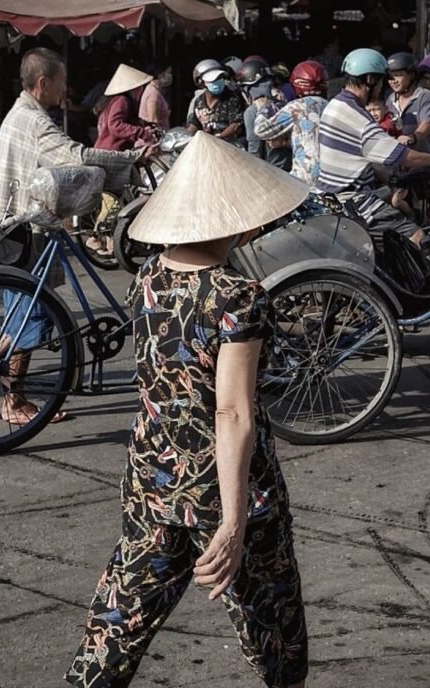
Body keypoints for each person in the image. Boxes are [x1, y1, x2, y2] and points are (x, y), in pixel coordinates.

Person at [66, 131, 309, 688]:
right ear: (241, 219)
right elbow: (233, 414)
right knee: (272, 626)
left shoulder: (148, 277)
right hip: (221, 487)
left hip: (152, 480)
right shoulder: (238, 296)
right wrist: (232, 520)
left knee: (119, 621)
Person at [0, 47, 155, 427]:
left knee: (19, 313)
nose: (64, 91)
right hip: (29, 229)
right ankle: (14, 401)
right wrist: (133, 161)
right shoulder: (36, 122)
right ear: (43, 83)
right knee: (31, 316)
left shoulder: (17, 115)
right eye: (61, 84)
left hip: (12, 227)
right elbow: (76, 156)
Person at [316, 49, 430, 246]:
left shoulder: (334, 105)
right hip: (354, 201)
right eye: (382, 81)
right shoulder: (359, 118)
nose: (384, 87)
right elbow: (401, 156)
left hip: (329, 196)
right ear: (370, 80)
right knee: (416, 237)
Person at [253, 60, 329, 184]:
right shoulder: (331, 105)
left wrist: (264, 107)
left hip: (305, 179)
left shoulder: (296, 107)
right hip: (332, 177)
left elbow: (261, 130)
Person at [237, 58, 291, 170]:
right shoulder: (284, 103)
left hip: (272, 171)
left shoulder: (252, 111)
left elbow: (255, 149)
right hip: (291, 166)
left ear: (247, 90)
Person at [385, 51, 430, 153]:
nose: (393, 81)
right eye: (390, 77)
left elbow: (427, 125)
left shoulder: (425, 96)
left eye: (398, 75)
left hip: (422, 165)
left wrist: (413, 137)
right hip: (398, 164)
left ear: (411, 75)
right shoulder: (390, 99)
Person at [95, 65, 157, 151]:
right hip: (112, 151)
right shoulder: (122, 100)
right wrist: (142, 133)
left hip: (109, 149)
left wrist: (143, 125)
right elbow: (115, 125)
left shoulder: (117, 100)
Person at [186, 59, 244, 141]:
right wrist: (186, 137)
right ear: (201, 82)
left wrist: (219, 137)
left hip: (228, 145)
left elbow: (236, 125)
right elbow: (194, 124)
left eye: (219, 78)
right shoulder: (199, 101)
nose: (217, 81)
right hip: (206, 144)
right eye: (212, 79)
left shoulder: (232, 98)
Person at [138, 62, 172, 130]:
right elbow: (153, 122)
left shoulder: (154, 90)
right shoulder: (153, 94)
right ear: (160, 75)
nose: (170, 76)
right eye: (168, 72)